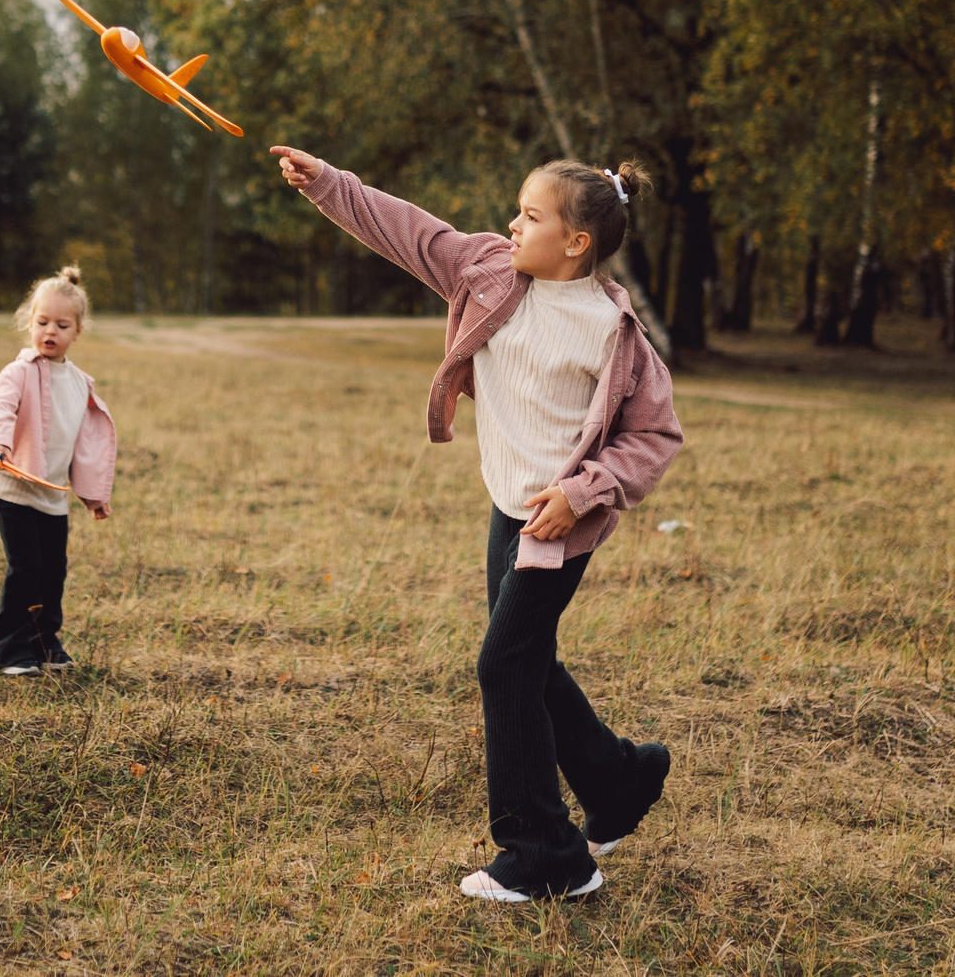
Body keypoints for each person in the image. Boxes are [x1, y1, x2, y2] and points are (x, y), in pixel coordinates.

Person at [271, 144, 683, 903]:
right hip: (508, 504)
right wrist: (329, 184)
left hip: (559, 525)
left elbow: (654, 438)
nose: (511, 223)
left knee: (504, 666)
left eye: (530, 215)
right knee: (527, 661)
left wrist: (587, 490)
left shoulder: (610, 330)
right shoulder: (492, 272)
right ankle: (621, 779)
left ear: (576, 242)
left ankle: (547, 854)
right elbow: (408, 230)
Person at [0, 265, 115, 675]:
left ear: (78, 331)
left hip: (53, 496)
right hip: (15, 491)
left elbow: (85, 445)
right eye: (41, 322)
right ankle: (8, 650)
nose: (49, 331)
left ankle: (43, 642)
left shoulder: (78, 382)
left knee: (53, 572)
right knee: (26, 568)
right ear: (29, 322)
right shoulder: (17, 372)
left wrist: (93, 495)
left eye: (61, 324)